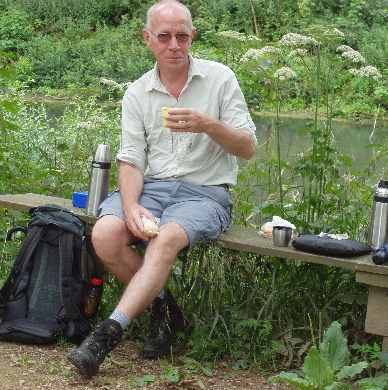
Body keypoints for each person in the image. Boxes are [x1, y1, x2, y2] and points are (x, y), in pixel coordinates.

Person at [67, 0, 256, 378]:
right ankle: (164, 307)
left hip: (206, 193)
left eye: (182, 36)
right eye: (165, 36)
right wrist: (132, 205)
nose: (174, 45)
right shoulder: (137, 92)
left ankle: (108, 332)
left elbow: (248, 148)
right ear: (148, 39)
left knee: (165, 238)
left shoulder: (220, 79)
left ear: (192, 37)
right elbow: (131, 160)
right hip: (153, 188)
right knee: (105, 233)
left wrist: (209, 125)